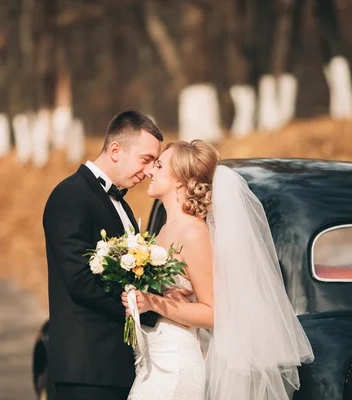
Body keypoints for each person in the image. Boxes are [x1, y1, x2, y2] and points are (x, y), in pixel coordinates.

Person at [123, 140, 315, 400]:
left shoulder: (192, 232)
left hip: (177, 365)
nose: (149, 172)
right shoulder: (166, 229)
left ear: (179, 179)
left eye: (158, 166)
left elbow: (215, 313)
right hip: (156, 359)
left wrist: (153, 302)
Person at [43, 111, 165, 400]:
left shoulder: (121, 204)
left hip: (120, 367)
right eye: (146, 159)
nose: (149, 171)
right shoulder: (69, 196)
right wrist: (144, 307)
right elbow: (79, 280)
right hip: (87, 369)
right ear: (115, 150)